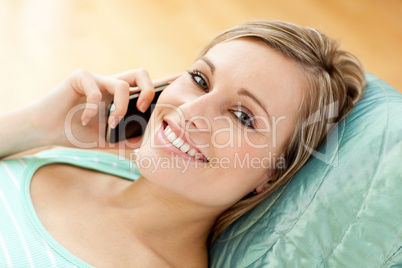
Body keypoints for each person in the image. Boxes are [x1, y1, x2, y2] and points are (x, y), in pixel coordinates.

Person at [0, 20, 365, 267]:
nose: (192, 110)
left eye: (242, 116)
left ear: (272, 174)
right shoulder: (83, 156)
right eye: (200, 79)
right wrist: (35, 126)